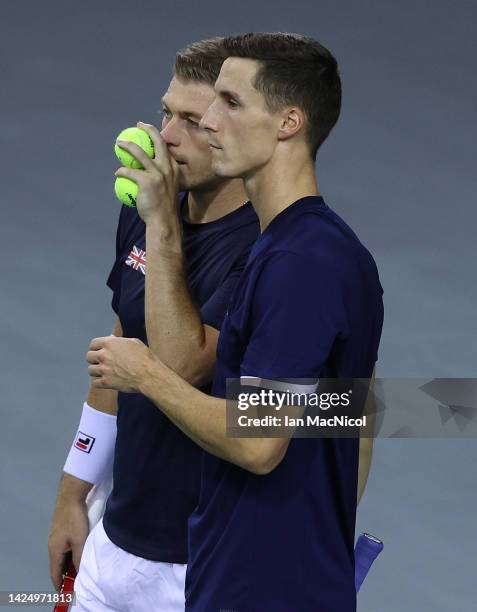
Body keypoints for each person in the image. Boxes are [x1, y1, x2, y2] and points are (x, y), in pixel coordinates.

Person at [86, 32, 384, 611]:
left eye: (229, 104)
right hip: (240, 568)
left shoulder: (301, 261)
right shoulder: (293, 249)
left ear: (288, 122)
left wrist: (145, 373)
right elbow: (354, 405)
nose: (206, 124)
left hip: (260, 584)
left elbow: (258, 443)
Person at [48, 37, 260, 612]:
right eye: (166, 111)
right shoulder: (143, 210)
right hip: (113, 539)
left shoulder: (265, 251)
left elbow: (181, 365)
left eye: (191, 121)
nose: (165, 136)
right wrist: (74, 492)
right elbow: (120, 355)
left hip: (201, 566)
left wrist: (162, 220)